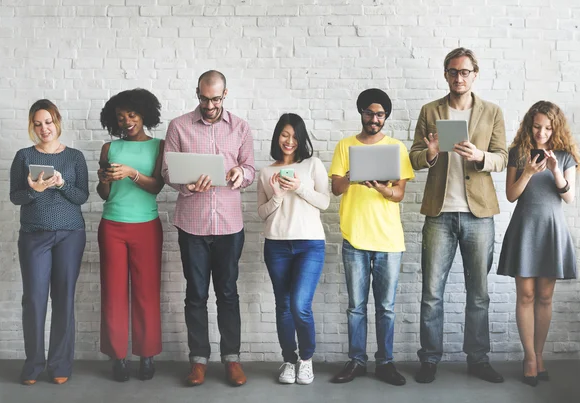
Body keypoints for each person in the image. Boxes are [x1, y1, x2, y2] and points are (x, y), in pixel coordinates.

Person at [409, 47, 508, 384]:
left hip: (479, 214)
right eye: (453, 71)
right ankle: (430, 358)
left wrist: (481, 156)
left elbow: (503, 157)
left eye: (465, 72)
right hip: (439, 214)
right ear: (446, 74)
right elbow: (414, 157)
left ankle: (478, 359)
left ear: (474, 75)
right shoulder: (430, 111)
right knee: (431, 293)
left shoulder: (492, 112)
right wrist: (432, 153)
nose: (459, 77)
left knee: (478, 292)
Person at [162, 70, 255, 387]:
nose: (209, 104)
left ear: (225, 94)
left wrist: (241, 174)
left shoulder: (241, 127)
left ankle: (232, 359)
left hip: (229, 224)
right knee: (196, 295)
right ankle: (198, 361)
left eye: (215, 99)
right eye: (204, 98)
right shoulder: (178, 126)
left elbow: (251, 168)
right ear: (197, 93)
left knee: (228, 294)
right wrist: (186, 184)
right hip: (192, 225)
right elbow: (166, 172)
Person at [329, 88, 414, 386]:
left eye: (379, 114)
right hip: (354, 238)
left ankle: (385, 363)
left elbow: (399, 194)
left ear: (385, 116)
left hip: (389, 240)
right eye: (369, 113)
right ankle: (356, 361)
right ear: (361, 113)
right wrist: (353, 175)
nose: (374, 119)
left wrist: (381, 188)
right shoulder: (345, 146)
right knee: (355, 306)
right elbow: (336, 188)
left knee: (386, 308)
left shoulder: (396, 148)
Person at [497, 101, 580, 386]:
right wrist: (530, 172)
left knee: (545, 297)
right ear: (529, 125)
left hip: (551, 231)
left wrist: (556, 170)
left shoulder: (566, 156)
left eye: (547, 128)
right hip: (525, 229)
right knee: (526, 296)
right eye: (537, 127)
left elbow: (569, 198)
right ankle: (529, 357)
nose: (541, 133)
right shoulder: (518, 154)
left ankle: (540, 354)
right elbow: (511, 195)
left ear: (555, 128)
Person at [10, 99, 89, 385]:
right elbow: (15, 197)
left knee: (64, 299)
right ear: (32, 126)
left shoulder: (75, 157)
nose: (44, 128)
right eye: (38, 123)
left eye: (48, 121)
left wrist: (61, 184)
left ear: (57, 121)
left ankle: (59, 365)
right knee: (34, 300)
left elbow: (82, 197)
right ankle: (32, 365)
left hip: (70, 235)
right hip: (33, 236)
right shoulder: (23, 156)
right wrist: (33, 190)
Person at [97, 88, 165, 382]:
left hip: (146, 226)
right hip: (112, 226)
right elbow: (104, 195)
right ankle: (118, 357)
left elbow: (157, 187)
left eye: (132, 115)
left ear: (144, 115)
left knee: (146, 293)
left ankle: (146, 355)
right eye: (121, 117)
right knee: (113, 293)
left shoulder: (159, 147)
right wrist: (103, 180)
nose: (126, 121)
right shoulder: (108, 149)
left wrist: (132, 173)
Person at [257, 113, 330, 385]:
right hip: (276, 245)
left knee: (300, 306)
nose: (289, 141)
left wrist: (299, 188)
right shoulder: (266, 172)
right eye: (285, 135)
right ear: (278, 136)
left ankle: (306, 360)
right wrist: (277, 196)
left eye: (295, 136)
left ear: (301, 139)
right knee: (283, 307)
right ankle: (289, 360)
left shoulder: (312, 165)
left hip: (309, 244)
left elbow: (325, 202)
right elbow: (261, 213)